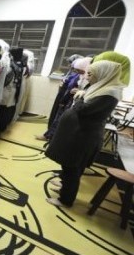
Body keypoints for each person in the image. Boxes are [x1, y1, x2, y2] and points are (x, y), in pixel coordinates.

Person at [45, 60, 125, 207]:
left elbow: (83, 109)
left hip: (83, 137)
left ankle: (65, 200)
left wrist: (80, 97)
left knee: (73, 168)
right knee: (70, 166)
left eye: (90, 74)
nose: (87, 77)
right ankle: (65, 188)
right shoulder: (101, 88)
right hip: (79, 134)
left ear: (102, 74)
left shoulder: (109, 94)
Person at [36, 57, 92, 141]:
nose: (77, 72)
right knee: (57, 120)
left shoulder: (86, 78)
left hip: (72, 102)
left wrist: (78, 92)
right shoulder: (78, 75)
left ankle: (51, 137)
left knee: (60, 121)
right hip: (67, 100)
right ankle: (50, 136)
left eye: (79, 70)